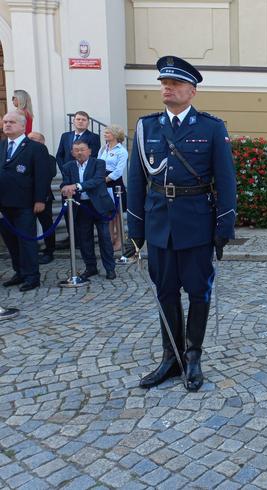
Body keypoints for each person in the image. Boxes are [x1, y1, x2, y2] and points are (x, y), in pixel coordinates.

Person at [127, 55, 237, 392]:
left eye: (174, 84)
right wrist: (136, 230)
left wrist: (223, 228)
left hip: (196, 225)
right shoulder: (147, 127)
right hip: (160, 225)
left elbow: (226, 181)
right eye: (164, 83)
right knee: (165, 293)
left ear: (191, 91)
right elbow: (136, 180)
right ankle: (170, 357)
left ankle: (192, 357)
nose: (167, 88)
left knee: (198, 293)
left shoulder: (210, 128)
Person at [0, 111, 51, 291]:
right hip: (3, 204)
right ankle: (19, 271)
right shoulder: (1, 145)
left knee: (26, 241)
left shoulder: (35, 148)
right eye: (5, 122)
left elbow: (42, 176)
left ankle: (31, 276)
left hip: (25, 204)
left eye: (11, 122)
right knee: (11, 241)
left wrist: (40, 199)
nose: (7, 125)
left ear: (22, 126)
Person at [60, 140, 117, 280]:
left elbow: (97, 181)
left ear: (89, 151)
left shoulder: (99, 163)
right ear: (72, 153)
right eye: (76, 150)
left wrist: (77, 186)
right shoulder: (68, 166)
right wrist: (64, 187)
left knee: (104, 238)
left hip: (100, 206)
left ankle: (110, 269)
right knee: (85, 239)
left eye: (82, 149)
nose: (79, 152)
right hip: (81, 206)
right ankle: (90, 267)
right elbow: (66, 182)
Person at [55, 111, 101, 250]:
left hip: (83, 180)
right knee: (69, 210)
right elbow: (59, 155)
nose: (80, 121)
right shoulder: (65, 136)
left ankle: (83, 240)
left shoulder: (93, 137)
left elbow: (94, 158)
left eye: (83, 119)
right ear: (74, 121)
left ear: (87, 122)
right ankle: (72, 238)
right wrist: (65, 170)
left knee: (83, 213)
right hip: (68, 178)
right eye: (78, 119)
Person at [27, 132, 58, 264]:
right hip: (25, 198)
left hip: (43, 197)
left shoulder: (49, 158)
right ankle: (30, 251)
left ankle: (49, 251)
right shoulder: (23, 156)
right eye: (29, 139)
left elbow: (50, 173)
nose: (30, 141)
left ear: (42, 142)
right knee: (27, 227)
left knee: (47, 225)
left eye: (33, 139)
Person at [98, 124, 129, 251]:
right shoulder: (103, 149)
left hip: (114, 183)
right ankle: (110, 238)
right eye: (104, 133)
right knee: (108, 213)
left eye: (108, 133)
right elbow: (98, 163)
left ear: (115, 135)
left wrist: (106, 179)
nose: (105, 134)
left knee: (117, 214)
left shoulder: (122, 151)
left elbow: (118, 171)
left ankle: (120, 240)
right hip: (102, 181)